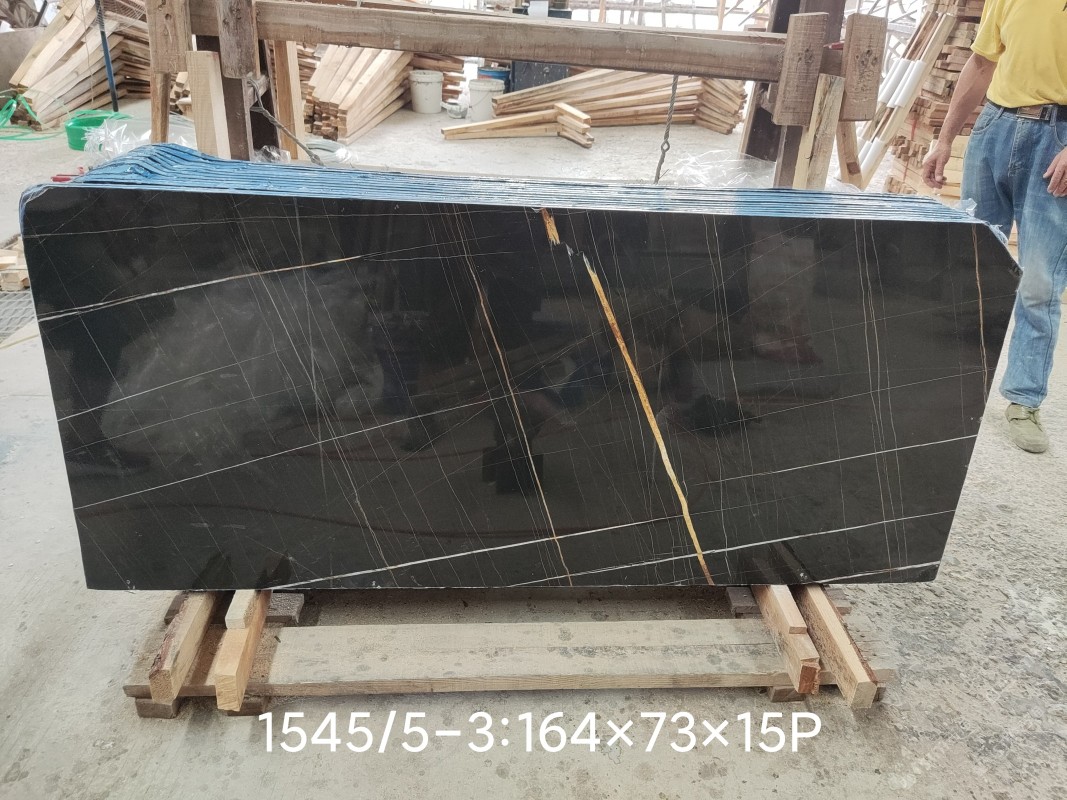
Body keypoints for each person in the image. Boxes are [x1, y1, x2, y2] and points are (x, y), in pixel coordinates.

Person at [922, 0, 1067, 454]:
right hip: (995, 127)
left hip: (1058, 138)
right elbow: (982, 62)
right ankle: (959, 382)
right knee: (974, 262)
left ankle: (1023, 400)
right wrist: (944, 139)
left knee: (1040, 281)